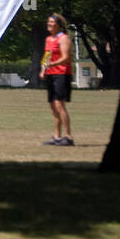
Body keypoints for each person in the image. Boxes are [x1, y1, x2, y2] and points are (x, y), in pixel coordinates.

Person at [40, 13, 74, 146]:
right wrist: (43, 70)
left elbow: (66, 58)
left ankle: (69, 137)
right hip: (50, 74)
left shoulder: (63, 38)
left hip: (62, 74)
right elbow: (47, 55)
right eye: (48, 22)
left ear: (58, 25)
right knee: (53, 106)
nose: (49, 24)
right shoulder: (49, 39)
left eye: (52, 22)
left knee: (60, 105)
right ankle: (57, 136)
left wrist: (52, 65)